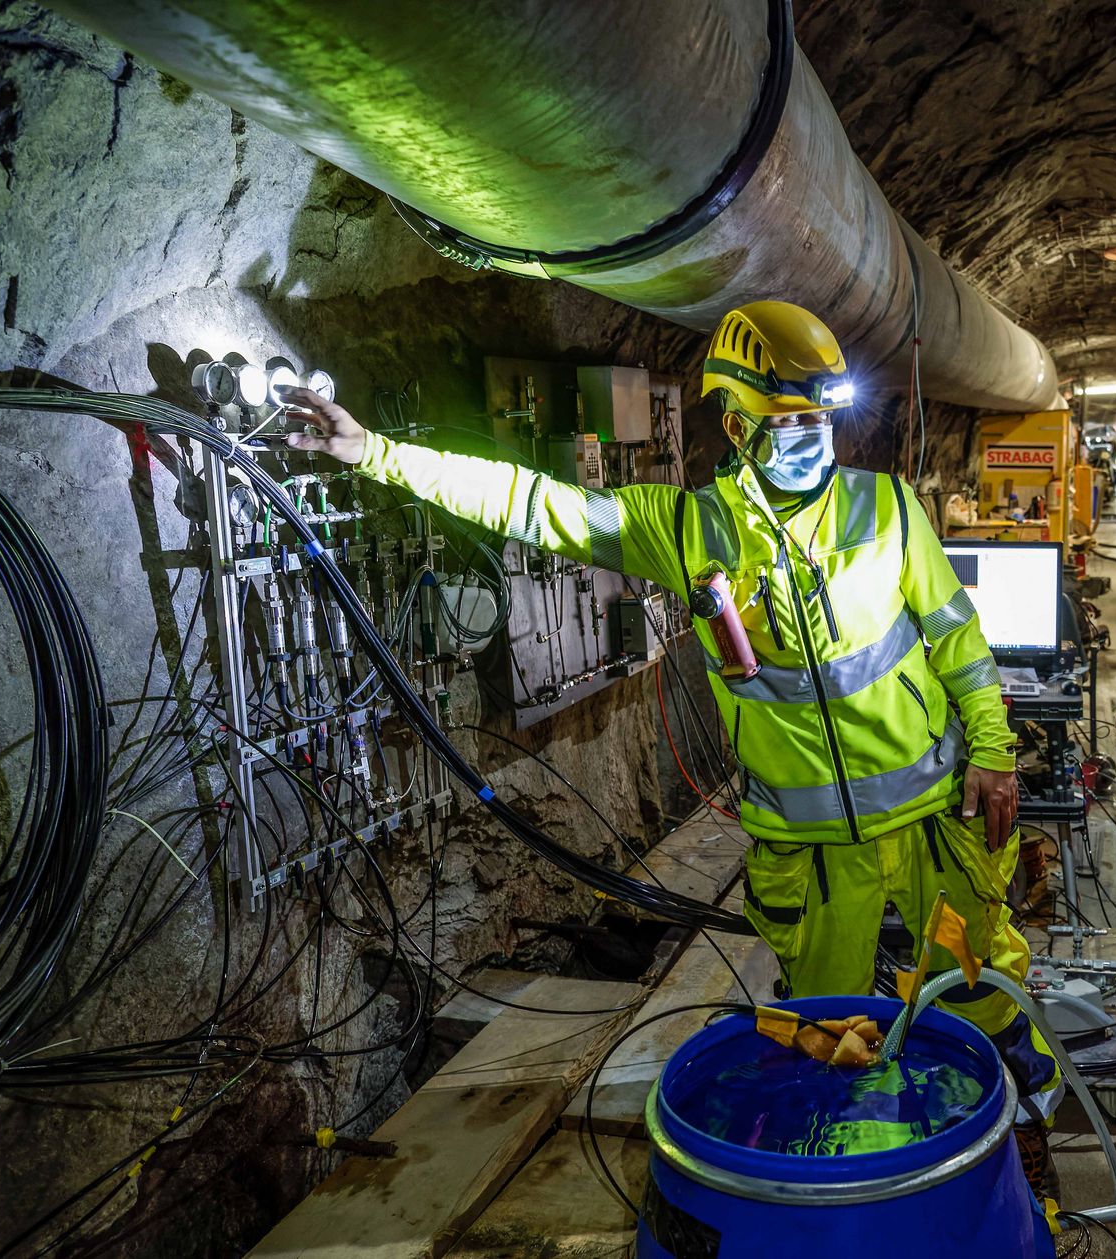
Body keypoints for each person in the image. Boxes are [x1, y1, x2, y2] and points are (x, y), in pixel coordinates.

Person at [276, 300, 1060, 1186]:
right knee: (829, 1038)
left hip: (929, 823)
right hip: (813, 854)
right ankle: (850, 1188)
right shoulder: (690, 530)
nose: (811, 438)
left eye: (819, 419)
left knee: (982, 986)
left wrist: (992, 748)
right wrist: (377, 453)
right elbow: (535, 504)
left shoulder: (885, 506)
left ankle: (1026, 1153)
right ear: (738, 426)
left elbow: (957, 638)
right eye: (787, 423)